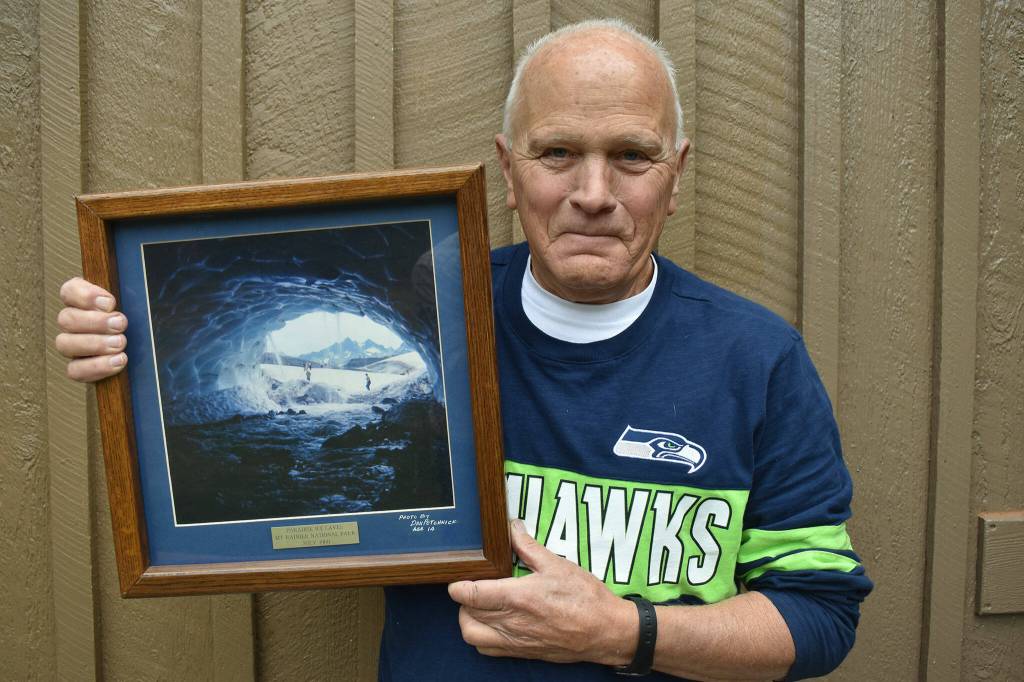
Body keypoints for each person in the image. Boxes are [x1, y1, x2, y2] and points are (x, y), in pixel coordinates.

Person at [55, 19, 870, 681]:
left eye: (631, 155)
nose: (593, 194)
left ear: (675, 173)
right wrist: (136, 338)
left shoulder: (756, 359)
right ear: (509, 170)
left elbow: (819, 615)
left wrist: (622, 632)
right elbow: (232, 364)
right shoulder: (430, 311)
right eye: (558, 153)